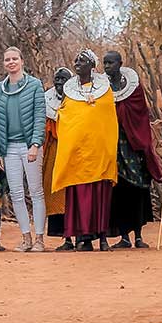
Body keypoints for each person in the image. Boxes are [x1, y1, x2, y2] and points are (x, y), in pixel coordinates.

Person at [52, 49, 120, 251]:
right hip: (77, 154)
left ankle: (102, 237)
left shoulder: (104, 90)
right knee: (79, 195)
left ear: (92, 65)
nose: (77, 63)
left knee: (99, 196)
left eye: (82, 60)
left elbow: (108, 119)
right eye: (76, 60)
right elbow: (65, 116)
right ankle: (83, 238)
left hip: (98, 152)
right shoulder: (70, 90)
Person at [0, 46, 47, 251]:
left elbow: (40, 117)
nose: (11, 62)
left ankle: (39, 238)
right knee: (16, 193)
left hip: (29, 146)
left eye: (15, 58)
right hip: (9, 148)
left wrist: (35, 145)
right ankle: (26, 238)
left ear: (22, 61)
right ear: (4, 64)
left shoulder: (34, 85)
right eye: (7, 60)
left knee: (36, 191)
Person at [104, 52, 162, 249]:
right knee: (118, 191)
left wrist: (119, 112)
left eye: (110, 62)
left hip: (133, 145)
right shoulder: (101, 88)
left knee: (137, 189)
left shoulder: (133, 87)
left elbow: (140, 113)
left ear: (120, 64)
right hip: (111, 145)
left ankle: (138, 236)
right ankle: (124, 237)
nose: (107, 66)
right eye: (104, 63)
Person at [43, 67, 75, 251]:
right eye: (57, 79)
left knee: (73, 194)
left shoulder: (77, 98)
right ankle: (66, 238)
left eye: (63, 79)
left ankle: (79, 237)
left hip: (73, 153)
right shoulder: (47, 100)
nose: (59, 82)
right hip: (54, 151)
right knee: (55, 191)